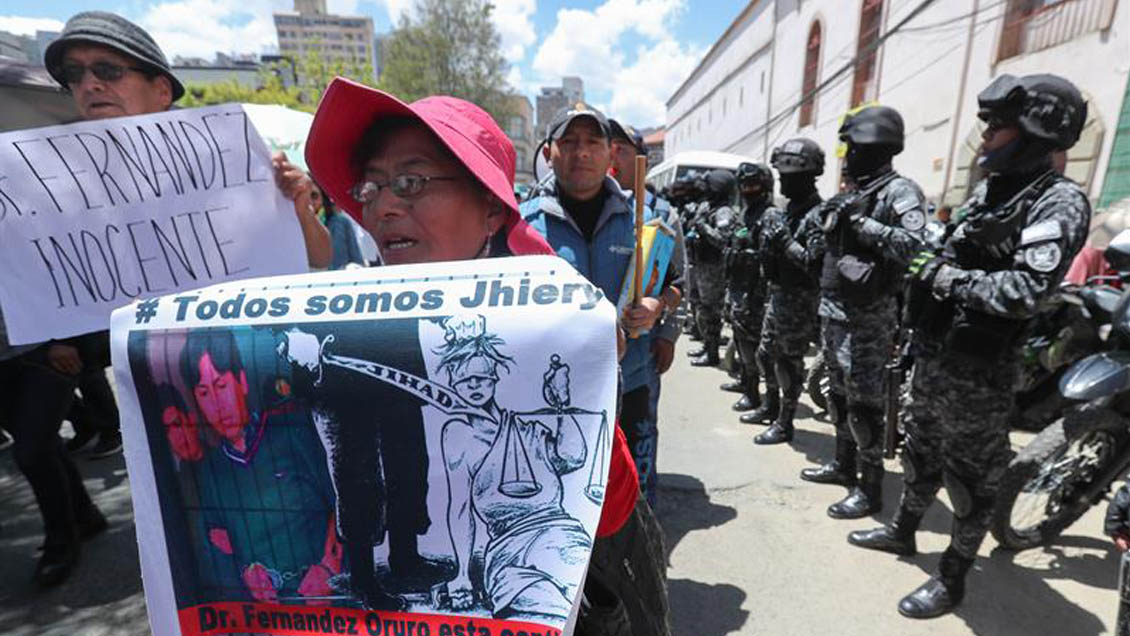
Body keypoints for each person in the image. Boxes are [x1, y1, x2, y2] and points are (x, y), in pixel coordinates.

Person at [299, 80, 660, 631]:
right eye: (371, 187)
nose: (384, 205)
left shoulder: (546, 332)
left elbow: (608, 514)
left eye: (412, 181)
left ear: (491, 209)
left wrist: (578, 383)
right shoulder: (346, 328)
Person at [848, 74, 1091, 618]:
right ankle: (903, 530)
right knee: (919, 451)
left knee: (970, 478)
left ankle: (953, 576)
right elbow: (950, 250)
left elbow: (1026, 291)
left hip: (981, 371)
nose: (985, 138)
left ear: (1035, 132)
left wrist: (942, 278)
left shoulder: (1060, 202)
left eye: (997, 127)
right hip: (936, 351)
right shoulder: (992, 191)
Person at [519, 102, 672, 634]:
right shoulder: (521, 224)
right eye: (570, 142)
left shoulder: (647, 216)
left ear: (613, 154)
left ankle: (617, 600)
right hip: (550, 400)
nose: (582, 152)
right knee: (557, 504)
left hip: (625, 387)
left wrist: (659, 310)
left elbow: (673, 284)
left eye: (594, 142)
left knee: (627, 505)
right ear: (550, 152)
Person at [808, 105, 927, 518]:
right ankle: (843, 463)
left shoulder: (900, 192)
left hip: (870, 316)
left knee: (866, 404)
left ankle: (870, 485)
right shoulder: (853, 189)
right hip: (835, 308)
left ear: (876, 146)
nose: (848, 155)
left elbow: (914, 246)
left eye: (854, 147)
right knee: (838, 393)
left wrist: (863, 225)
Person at [439, 323, 590, 623]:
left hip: (557, 532)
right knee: (536, 612)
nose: (473, 386)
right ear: (453, 384)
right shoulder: (458, 434)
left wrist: (561, 403)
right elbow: (460, 508)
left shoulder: (528, 429)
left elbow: (573, 458)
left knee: (574, 591)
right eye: (465, 380)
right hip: (506, 550)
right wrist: (461, 575)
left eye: (480, 378)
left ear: (494, 379)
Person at [182, 330, 341, 604]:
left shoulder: (294, 433)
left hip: (331, 604)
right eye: (204, 393)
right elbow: (218, 543)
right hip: (270, 616)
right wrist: (246, 572)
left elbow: (344, 502)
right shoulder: (208, 472)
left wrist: (330, 566)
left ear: (241, 381)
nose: (218, 406)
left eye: (221, 386)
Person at [607, 118, 685, 506]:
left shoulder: (662, 215)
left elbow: (679, 282)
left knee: (640, 439)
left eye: (622, 148)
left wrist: (666, 328)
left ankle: (643, 518)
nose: (614, 155)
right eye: (611, 146)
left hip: (640, 358)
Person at [749, 140, 824, 444]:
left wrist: (785, 242)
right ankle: (770, 405)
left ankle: (785, 421)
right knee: (765, 355)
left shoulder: (817, 214)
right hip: (778, 295)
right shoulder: (787, 211)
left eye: (788, 177)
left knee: (788, 362)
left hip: (800, 298)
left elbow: (814, 263)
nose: (783, 182)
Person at [724, 163, 773, 416]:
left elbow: (769, 255)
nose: (747, 190)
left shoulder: (769, 215)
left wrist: (749, 255)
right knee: (741, 340)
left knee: (752, 346)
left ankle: (755, 395)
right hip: (739, 287)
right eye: (743, 186)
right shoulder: (746, 213)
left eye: (752, 185)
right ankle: (746, 383)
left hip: (757, 292)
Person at [684, 171, 739, 367]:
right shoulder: (708, 207)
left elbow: (722, 239)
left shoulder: (724, 212)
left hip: (714, 268)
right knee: (702, 308)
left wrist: (702, 227)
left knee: (711, 312)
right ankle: (708, 346)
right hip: (701, 264)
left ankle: (713, 352)